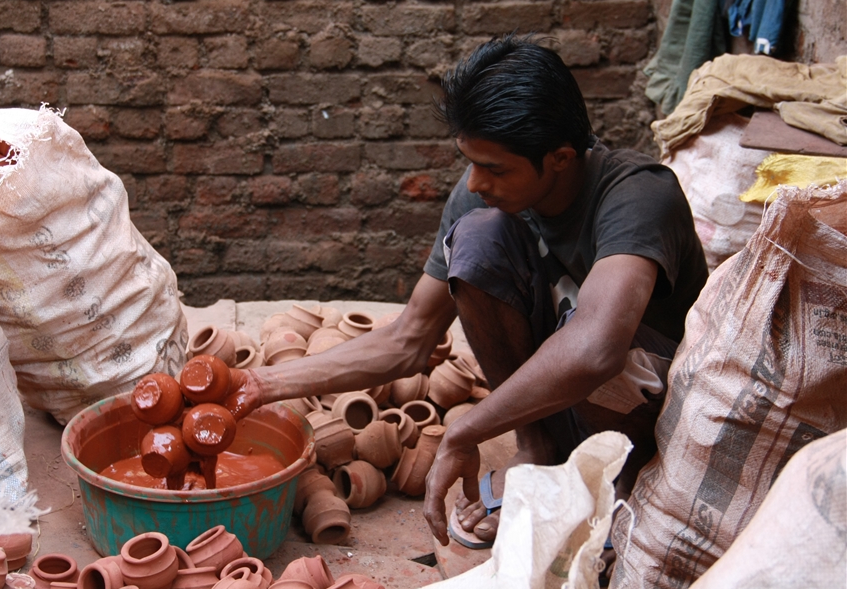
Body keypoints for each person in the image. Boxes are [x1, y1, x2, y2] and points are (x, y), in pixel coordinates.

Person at [223, 33, 708, 549]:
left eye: (494, 167)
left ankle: (623, 475)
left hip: (649, 410)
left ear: (562, 159)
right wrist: (260, 384)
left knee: (586, 335)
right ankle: (537, 447)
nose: (474, 182)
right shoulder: (482, 194)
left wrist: (465, 429)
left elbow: (596, 348)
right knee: (477, 235)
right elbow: (408, 338)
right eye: (470, 161)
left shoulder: (638, 195)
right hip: (561, 401)